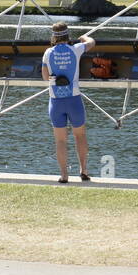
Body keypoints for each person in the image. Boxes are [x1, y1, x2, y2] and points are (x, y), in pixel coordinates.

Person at [41, 22, 96, 183]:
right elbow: (91, 42)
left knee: (60, 140)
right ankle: (83, 170)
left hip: (56, 102)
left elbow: (45, 78)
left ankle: (64, 175)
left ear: (53, 36)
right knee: (80, 136)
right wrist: (83, 37)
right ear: (67, 35)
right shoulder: (76, 49)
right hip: (74, 101)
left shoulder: (48, 53)